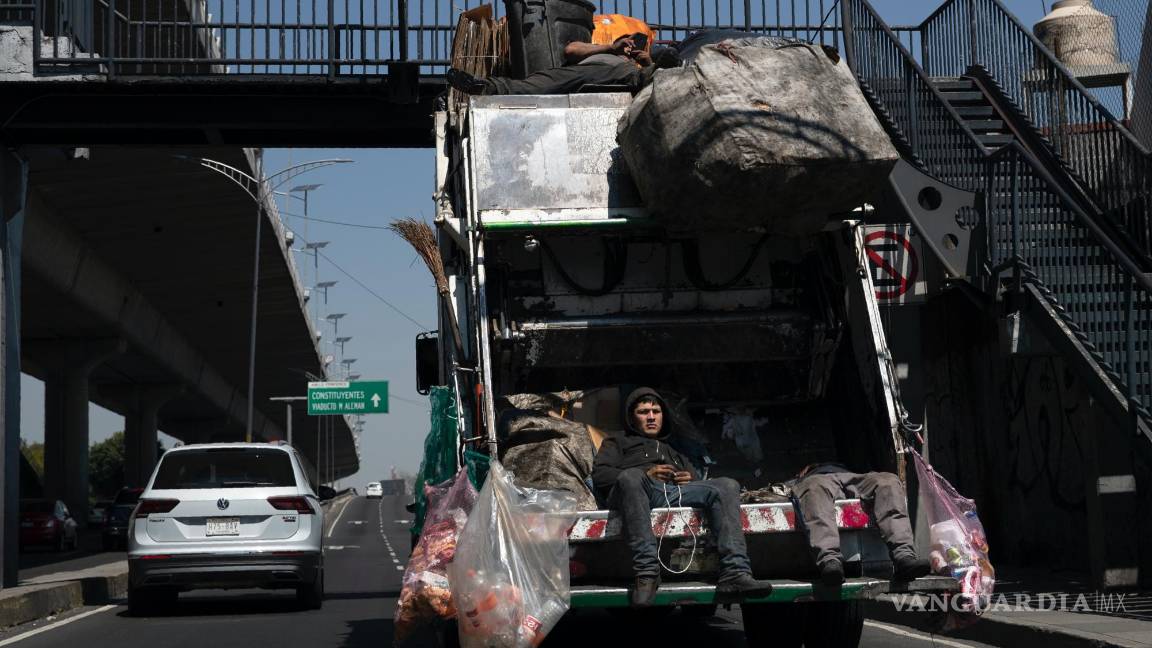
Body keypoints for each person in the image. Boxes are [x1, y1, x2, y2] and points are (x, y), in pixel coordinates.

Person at [591, 387, 774, 606]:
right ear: (632, 417)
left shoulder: (673, 448)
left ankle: (735, 573)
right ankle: (647, 573)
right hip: (635, 492)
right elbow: (601, 475)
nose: (651, 417)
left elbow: (698, 481)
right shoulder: (617, 442)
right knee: (631, 477)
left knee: (726, 485)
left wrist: (690, 479)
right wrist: (645, 474)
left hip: (672, 493)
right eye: (643, 412)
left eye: (656, 411)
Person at [792, 462, 931, 585]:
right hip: (818, 480)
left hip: (851, 475)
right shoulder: (807, 478)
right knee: (814, 488)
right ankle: (830, 563)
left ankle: (904, 558)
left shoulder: (845, 466)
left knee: (888, 480)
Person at [447, 35, 677, 96]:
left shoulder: (629, 64)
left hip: (624, 75)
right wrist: (610, 48)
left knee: (640, 77)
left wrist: (646, 62)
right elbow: (570, 50)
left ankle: (657, 71)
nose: (629, 46)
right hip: (582, 72)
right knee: (536, 84)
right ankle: (484, 87)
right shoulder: (602, 49)